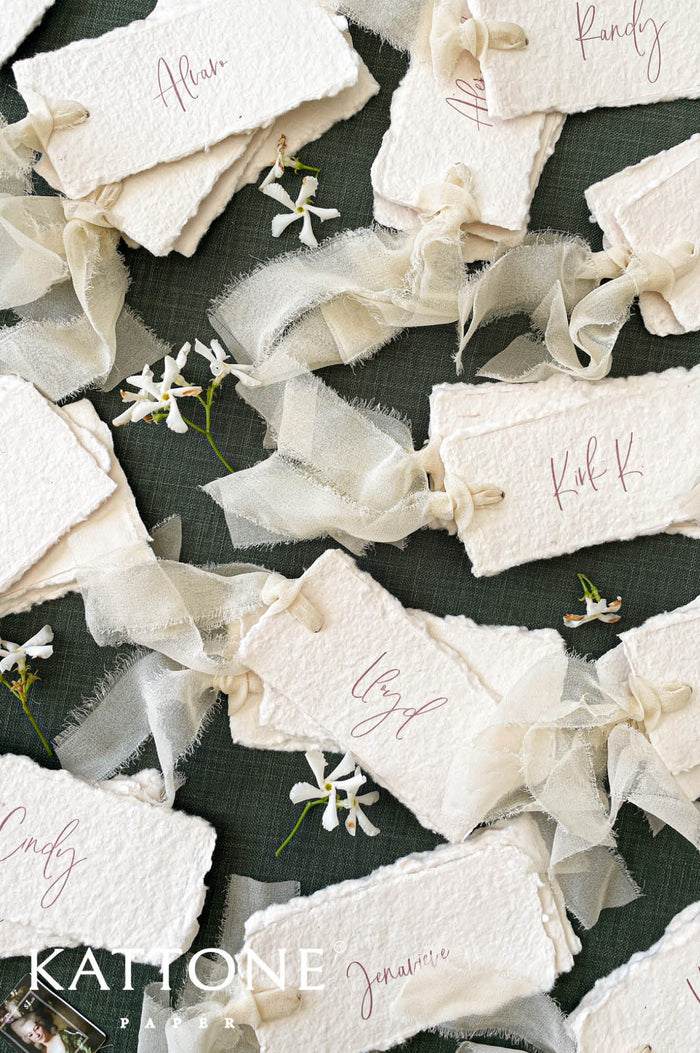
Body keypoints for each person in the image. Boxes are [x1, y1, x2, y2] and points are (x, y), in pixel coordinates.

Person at [9, 1009, 92, 1052]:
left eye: (36, 1028)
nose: (37, 1035)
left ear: (41, 1024)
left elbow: (89, 1050)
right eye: (30, 1035)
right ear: (29, 1039)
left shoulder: (67, 1034)